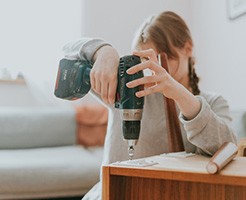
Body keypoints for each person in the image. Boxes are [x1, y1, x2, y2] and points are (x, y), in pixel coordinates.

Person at [63, 11, 236, 200]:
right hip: (113, 193)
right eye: (146, 62)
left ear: (188, 48)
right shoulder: (131, 89)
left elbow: (228, 148)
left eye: (165, 59)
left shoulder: (213, 102)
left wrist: (178, 93)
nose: (155, 70)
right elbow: (67, 51)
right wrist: (103, 51)